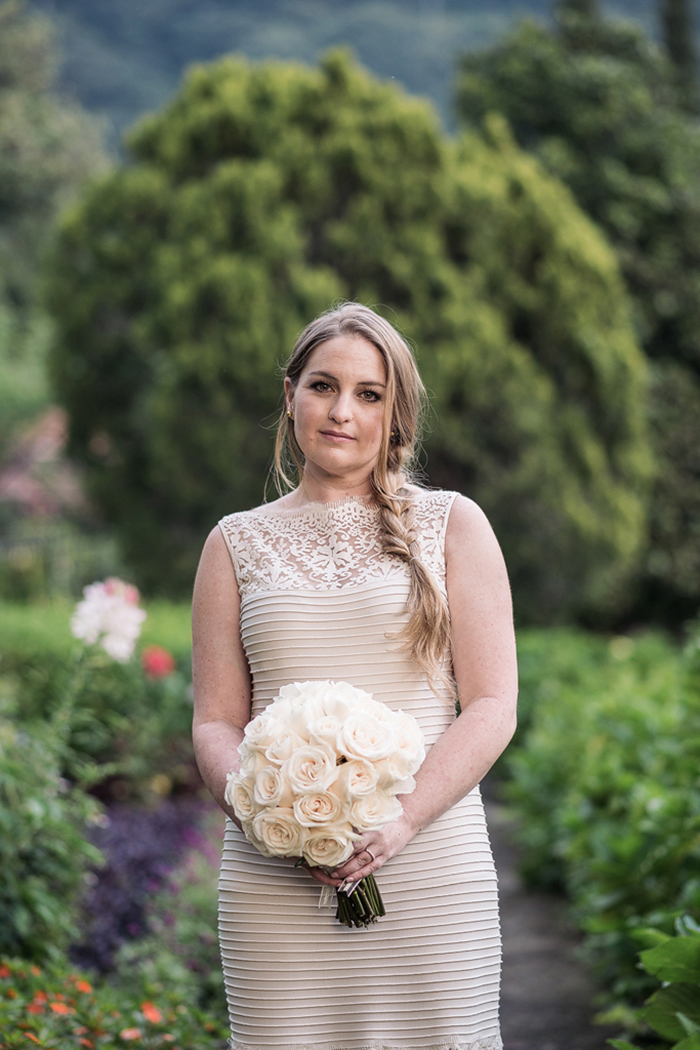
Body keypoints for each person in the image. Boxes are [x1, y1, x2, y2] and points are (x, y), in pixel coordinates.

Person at [191, 301, 518, 1050]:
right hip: (275, 883)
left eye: (369, 394)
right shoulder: (233, 544)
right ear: (290, 395)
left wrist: (399, 821)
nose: (342, 411)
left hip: (433, 865)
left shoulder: (454, 524)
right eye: (322, 386)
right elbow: (214, 720)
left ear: (395, 413)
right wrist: (258, 812)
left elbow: (494, 703)